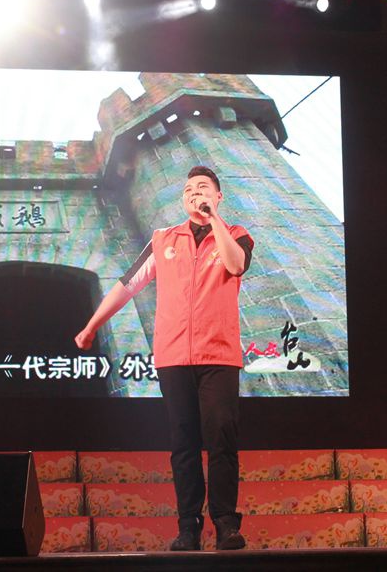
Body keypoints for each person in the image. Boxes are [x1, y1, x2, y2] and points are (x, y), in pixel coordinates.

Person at [76, 166, 254, 551]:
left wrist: (214, 220)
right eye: (188, 190)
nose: (194, 194)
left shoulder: (236, 234)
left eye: (203, 188)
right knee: (183, 444)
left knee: (221, 439)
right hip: (173, 357)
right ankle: (188, 527)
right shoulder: (163, 240)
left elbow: (236, 265)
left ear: (218, 196)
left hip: (219, 355)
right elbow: (127, 285)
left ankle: (225, 523)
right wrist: (91, 326)